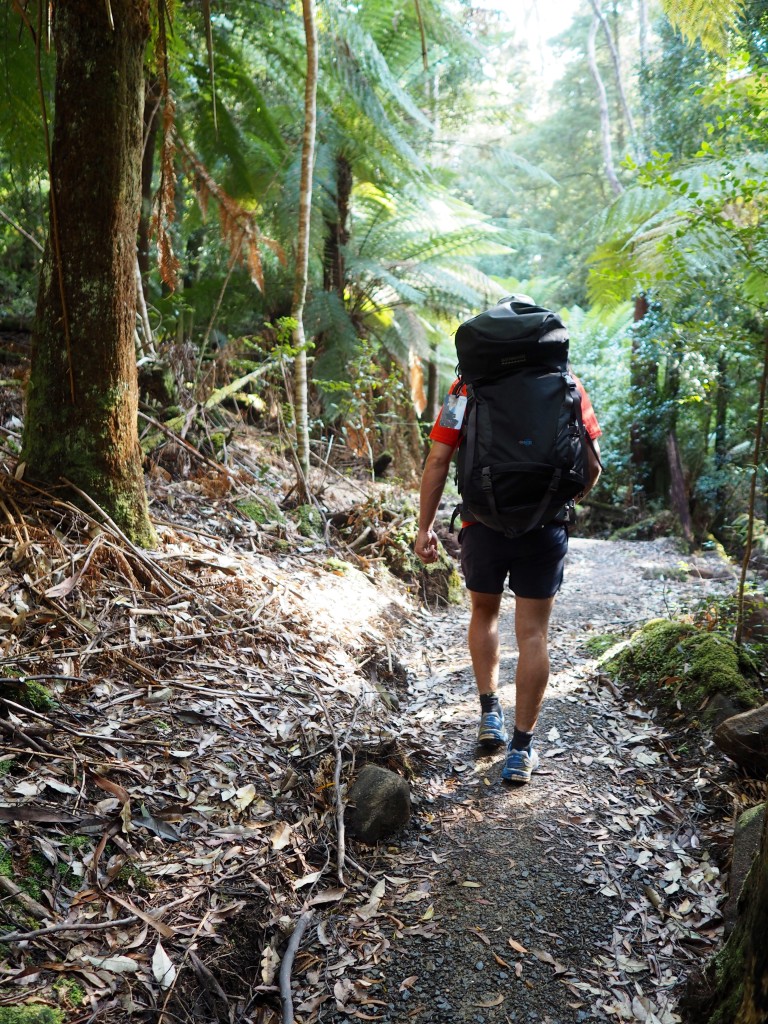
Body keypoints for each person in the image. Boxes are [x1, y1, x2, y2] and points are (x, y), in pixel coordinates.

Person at [414, 305, 602, 784]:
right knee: (534, 634)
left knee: (484, 612)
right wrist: (557, 501)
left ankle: (488, 712)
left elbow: (438, 460)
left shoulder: (464, 389)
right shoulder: (569, 385)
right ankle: (521, 749)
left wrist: (425, 526)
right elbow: (593, 463)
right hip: (545, 525)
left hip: (481, 522)